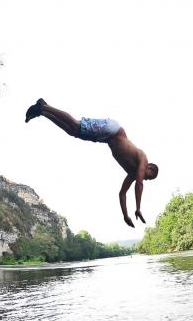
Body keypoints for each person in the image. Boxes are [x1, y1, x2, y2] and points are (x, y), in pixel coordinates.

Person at [25, 98, 159, 228]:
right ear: (149, 166)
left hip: (106, 138)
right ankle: (43, 106)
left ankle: (42, 112)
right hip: (113, 130)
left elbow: (122, 193)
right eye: (149, 176)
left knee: (73, 132)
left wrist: (125, 215)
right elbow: (139, 183)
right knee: (76, 125)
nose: (146, 178)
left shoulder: (131, 174)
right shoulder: (143, 158)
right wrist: (138, 208)